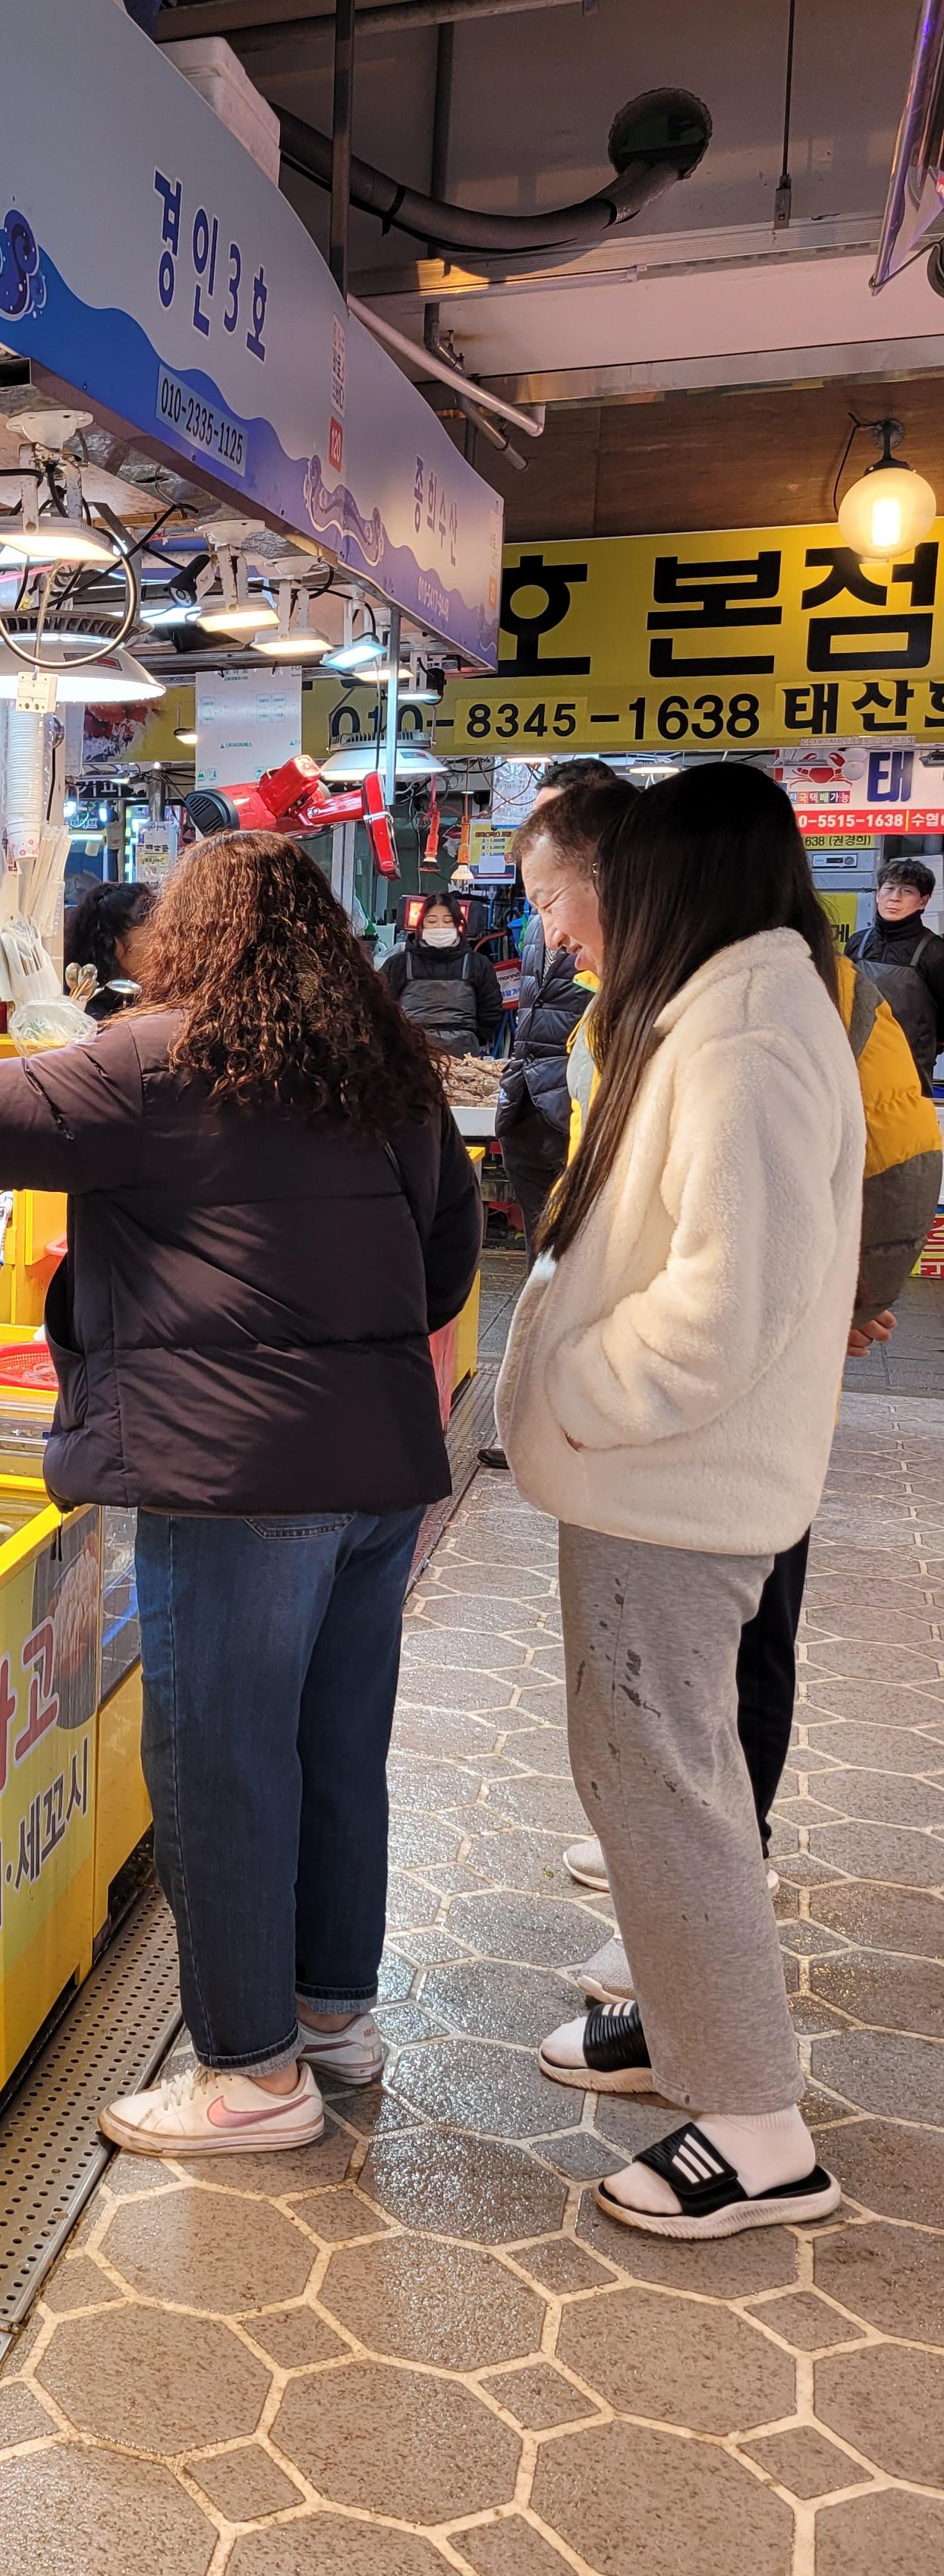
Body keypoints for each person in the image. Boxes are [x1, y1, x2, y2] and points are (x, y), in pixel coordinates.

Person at [0, 833, 481, 2158]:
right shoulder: (386, 1071)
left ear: (185, 938)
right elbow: (445, 1262)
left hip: (234, 1473)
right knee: (334, 1748)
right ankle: (332, 2019)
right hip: (378, 1472)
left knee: (220, 1761)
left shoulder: (161, 1059)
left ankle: (250, 2078)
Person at [502, 765, 865, 2240]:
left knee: (667, 1795)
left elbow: (726, 1305)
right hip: (665, 1486)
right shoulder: (733, 1006)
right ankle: (675, 2022)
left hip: (676, 1488)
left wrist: (578, 1384)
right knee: (646, 1781)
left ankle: (759, 2132)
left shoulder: (748, 1030)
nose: (580, 924)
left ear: (678, 880)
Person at [521, 773, 942, 1984]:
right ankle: (681, 1914)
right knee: (660, 1747)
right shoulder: (666, 999)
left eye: (553, 898)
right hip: (668, 1435)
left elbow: (866, 1186)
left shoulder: (756, 1021)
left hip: (696, 1449)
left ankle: (718, 1898)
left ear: (642, 877)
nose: (548, 930)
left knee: (701, 1719)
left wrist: (581, 1382)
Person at [496, 764, 637, 1250]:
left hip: (569, 1109)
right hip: (530, 1104)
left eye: (556, 820)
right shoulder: (547, 923)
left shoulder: (683, 1006)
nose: (555, 934)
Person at [851, 857, 944, 1080]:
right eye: (889, 888)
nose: (895, 897)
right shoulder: (857, 942)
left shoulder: (935, 952)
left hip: (909, 1067)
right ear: (877, 894)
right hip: (855, 1060)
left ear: (923, 901)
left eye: (907, 891)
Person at [380, 893, 503, 1053]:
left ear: (458, 924)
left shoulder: (478, 964)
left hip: (464, 1055)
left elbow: (491, 1010)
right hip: (410, 1054)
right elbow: (379, 1005)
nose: (440, 927)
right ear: (421, 926)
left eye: (448, 921)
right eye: (432, 921)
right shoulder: (399, 964)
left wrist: (475, 1037)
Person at [64, 878, 158, 1021]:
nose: (164, 950)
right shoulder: (89, 1017)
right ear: (114, 946)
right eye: (153, 940)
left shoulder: (151, 1000)